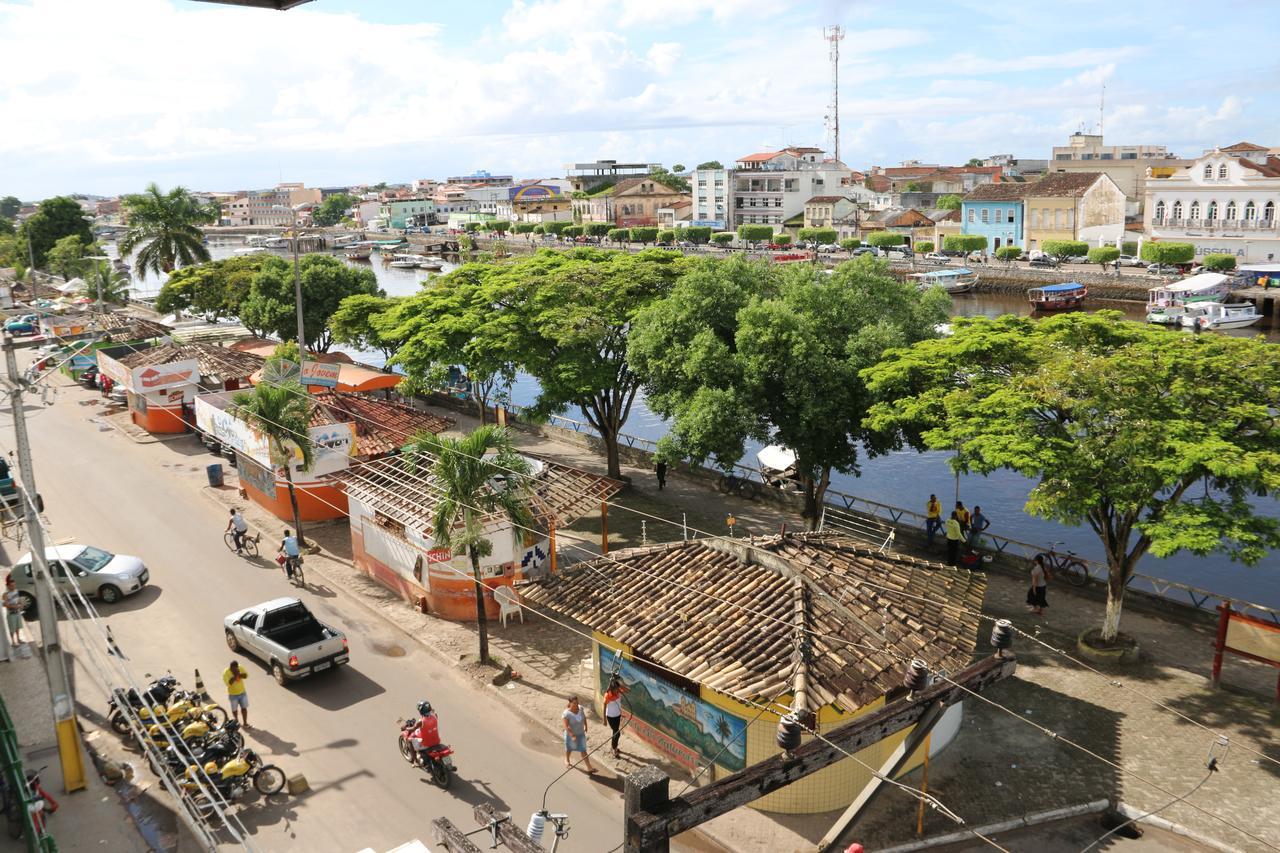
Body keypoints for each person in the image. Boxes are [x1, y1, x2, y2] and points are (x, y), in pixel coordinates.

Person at [562, 696, 594, 772]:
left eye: (577, 702)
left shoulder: (580, 708)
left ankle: (589, 767)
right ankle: (567, 760)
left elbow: (584, 717)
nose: (576, 704)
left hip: (580, 734)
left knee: (583, 750)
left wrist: (586, 726)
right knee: (569, 748)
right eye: (574, 703)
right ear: (570, 703)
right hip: (570, 735)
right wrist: (572, 736)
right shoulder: (566, 714)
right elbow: (566, 726)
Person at [603, 676, 629, 758]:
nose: (616, 691)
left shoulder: (619, 691)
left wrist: (621, 685)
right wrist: (604, 720)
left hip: (617, 715)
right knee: (617, 733)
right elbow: (604, 706)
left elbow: (628, 691)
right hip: (611, 716)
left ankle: (614, 747)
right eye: (615, 689)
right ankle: (614, 749)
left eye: (617, 689)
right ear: (611, 688)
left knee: (615, 732)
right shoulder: (608, 695)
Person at [223, 660, 249, 728]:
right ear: (231, 667)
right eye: (234, 669)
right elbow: (228, 684)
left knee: (244, 708)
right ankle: (237, 721)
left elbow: (246, 675)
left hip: (242, 692)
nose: (236, 669)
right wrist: (235, 675)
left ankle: (245, 723)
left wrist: (240, 674)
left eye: (237, 668)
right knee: (234, 710)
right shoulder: (226, 672)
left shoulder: (239, 667)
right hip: (233, 695)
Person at [4, 576, 24, 648]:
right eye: (12, 586)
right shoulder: (6, 594)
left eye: (14, 585)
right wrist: (14, 606)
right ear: (8, 586)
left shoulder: (16, 591)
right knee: (12, 628)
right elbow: (6, 605)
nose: (13, 587)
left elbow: (18, 599)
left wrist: (20, 603)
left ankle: (18, 639)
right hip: (11, 614)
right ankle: (13, 642)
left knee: (17, 627)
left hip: (17, 612)